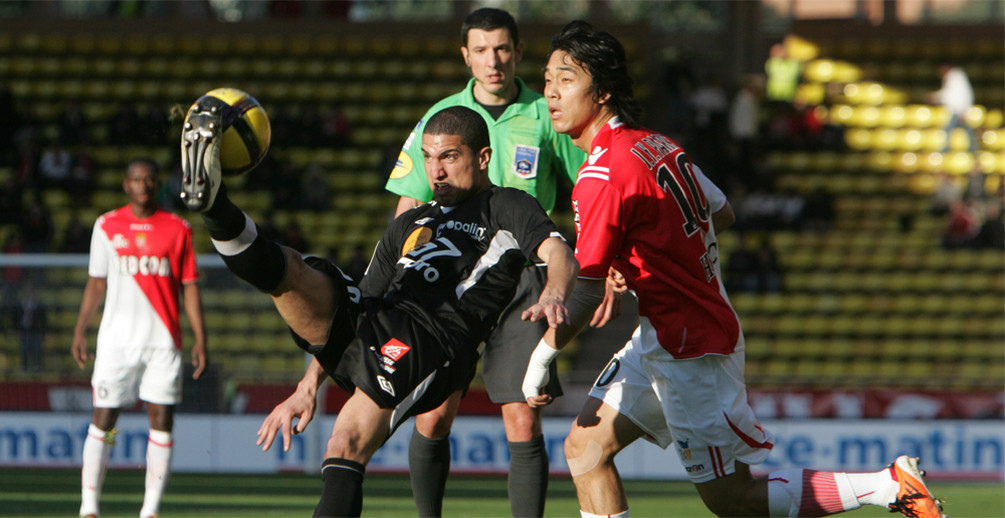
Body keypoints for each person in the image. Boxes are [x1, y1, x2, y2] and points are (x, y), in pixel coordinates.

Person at [522, 21, 945, 518]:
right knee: (585, 450)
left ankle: (888, 485)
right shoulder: (657, 145)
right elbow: (721, 212)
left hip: (690, 352)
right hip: (664, 334)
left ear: (604, 90)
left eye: (567, 78)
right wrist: (641, 256)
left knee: (734, 502)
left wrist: (540, 361)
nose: (551, 91)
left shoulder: (602, 174)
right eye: (548, 78)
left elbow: (587, 289)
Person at [179, 104, 578, 517]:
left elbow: (559, 253)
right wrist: (307, 386)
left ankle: (215, 207)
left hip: (432, 340)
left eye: (449, 157)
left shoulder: (506, 205)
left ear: (482, 158)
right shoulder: (410, 221)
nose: (435, 171)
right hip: (378, 316)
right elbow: (365, 294)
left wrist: (552, 292)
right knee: (298, 270)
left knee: (345, 444)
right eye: (427, 157)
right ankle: (213, 205)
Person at [383, 8, 585, 517]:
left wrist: (606, 264)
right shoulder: (442, 116)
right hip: (450, 278)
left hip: (522, 279)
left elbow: (587, 191)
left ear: (518, 51)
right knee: (434, 417)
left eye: (502, 49)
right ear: (465, 56)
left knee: (522, 419)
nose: (492, 61)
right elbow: (409, 206)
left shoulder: (548, 113)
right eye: (481, 50)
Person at [71, 158, 208, 518]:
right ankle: (89, 507)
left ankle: (150, 510)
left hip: (163, 341)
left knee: (161, 419)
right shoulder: (106, 225)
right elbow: (96, 282)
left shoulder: (178, 228)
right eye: (136, 179)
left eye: (149, 179)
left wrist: (201, 338)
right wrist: (80, 327)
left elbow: (190, 287)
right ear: (125, 184)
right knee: (105, 417)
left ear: (157, 183)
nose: (143, 185)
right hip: (116, 341)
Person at [930, 64, 977, 155]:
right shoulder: (957, 77)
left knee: (948, 131)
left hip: (957, 111)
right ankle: (973, 153)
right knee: (966, 133)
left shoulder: (954, 77)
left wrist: (935, 97)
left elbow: (950, 95)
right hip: (958, 110)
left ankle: (945, 153)